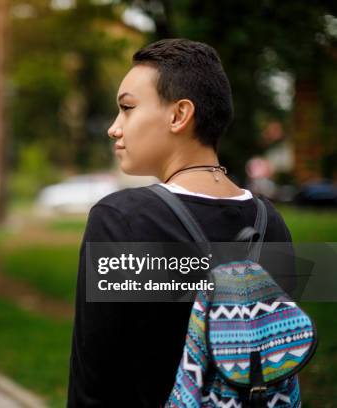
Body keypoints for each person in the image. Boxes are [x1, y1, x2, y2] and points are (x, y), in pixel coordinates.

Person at [67, 39, 295, 406]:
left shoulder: (120, 221)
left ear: (178, 115)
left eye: (127, 108)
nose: (114, 128)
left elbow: (94, 382)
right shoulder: (271, 222)